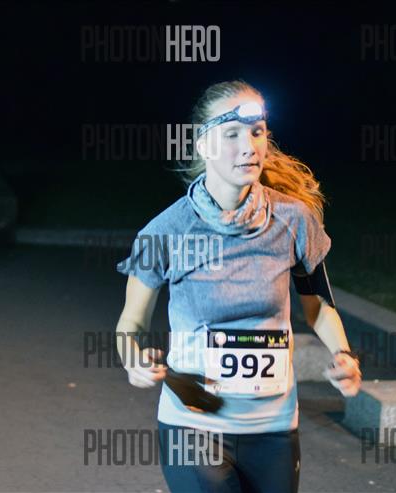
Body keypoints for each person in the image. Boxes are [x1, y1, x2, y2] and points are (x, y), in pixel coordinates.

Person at [115, 80, 361, 493]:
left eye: (257, 132)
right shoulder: (166, 231)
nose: (249, 147)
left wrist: (344, 356)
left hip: (273, 427)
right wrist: (132, 359)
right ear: (203, 145)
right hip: (193, 423)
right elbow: (130, 324)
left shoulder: (293, 220)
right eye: (231, 134)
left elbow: (318, 305)